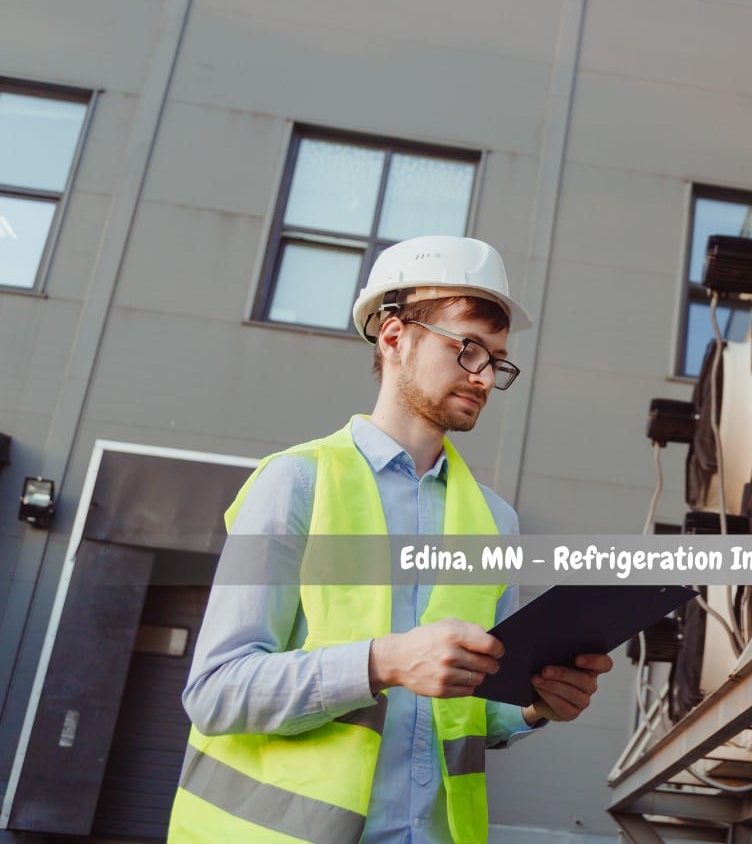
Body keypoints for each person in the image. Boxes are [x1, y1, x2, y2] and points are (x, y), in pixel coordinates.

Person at [169, 236, 613, 844]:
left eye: (497, 361)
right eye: (467, 349)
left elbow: (469, 713)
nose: (483, 377)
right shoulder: (296, 482)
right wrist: (384, 662)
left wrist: (537, 704)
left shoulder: (495, 522)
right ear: (394, 335)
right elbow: (217, 692)